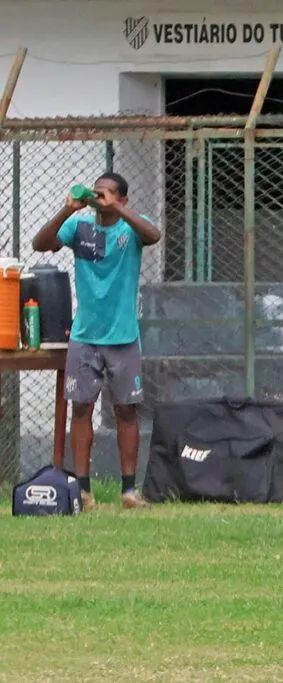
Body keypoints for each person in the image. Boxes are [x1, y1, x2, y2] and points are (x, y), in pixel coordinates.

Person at [32, 172, 161, 512]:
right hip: (85, 336)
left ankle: (129, 491)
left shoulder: (132, 227)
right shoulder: (80, 227)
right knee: (81, 409)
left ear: (123, 198)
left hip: (123, 336)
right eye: (97, 193)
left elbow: (153, 235)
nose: (100, 198)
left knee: (126, 411)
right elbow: (40, 243)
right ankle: (84, 491)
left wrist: (118, 210)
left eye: (109, 193)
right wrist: (67, 210)